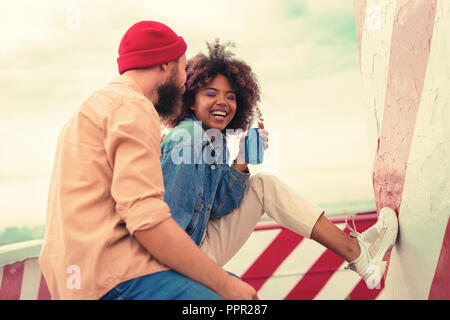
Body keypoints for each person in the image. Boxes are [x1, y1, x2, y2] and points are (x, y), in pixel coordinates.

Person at [158, 40, 399, 296]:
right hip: (176, 262)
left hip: (195, 247)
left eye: (231, 96)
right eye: (211, 93)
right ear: (190, 101)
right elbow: (168, 226)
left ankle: (358, 251)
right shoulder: (189, 138)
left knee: (262, 185)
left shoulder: (214, 143)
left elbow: (216, 209)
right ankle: (356, 251)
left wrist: (241, 159)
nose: (223, 102)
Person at [40, 21, 256, 300]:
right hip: (114, 278)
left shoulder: (92, 109)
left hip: (75, 278)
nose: (183, 83)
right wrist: (225, 286)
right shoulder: (133, 107)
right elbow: (147, 220)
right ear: (166, 64)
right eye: (182, 67)